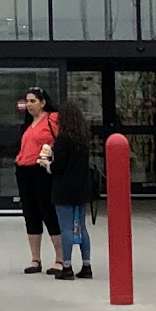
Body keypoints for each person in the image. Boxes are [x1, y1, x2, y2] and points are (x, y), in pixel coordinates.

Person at [15, 86, 63, 275]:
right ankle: (35, 259)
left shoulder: (52, 118)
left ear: (42, 103)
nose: (29, 105)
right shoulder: (28, 123)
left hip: (41, 170)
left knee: (49, 212)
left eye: (33, 101)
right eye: (27, 101)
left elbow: (60, 143)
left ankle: (60, 259)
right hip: (24, 169)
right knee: (30, 214)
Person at [47, 99, 96, 282]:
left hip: (64, 188)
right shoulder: (83, 139)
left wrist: (47, 165)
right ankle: (86, 265)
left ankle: (66, 266)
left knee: (66, 228)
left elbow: (58, 166)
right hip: (82, 187)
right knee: (81, 226)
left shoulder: (63, 139)